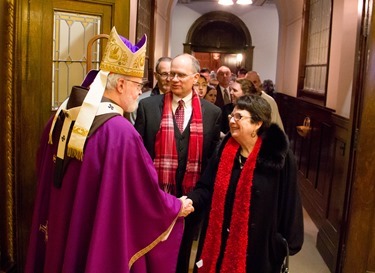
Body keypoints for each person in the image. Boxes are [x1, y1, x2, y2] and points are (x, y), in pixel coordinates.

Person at [25, 27, 194, 273]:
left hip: (59, 220)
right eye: (138, 84)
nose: (140, 90)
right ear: (121, 84)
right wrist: (176, 207)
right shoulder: (120, 133)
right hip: (90, 228)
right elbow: (142, 193)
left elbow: (43, 166)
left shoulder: (60, 117)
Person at [188, 95, 304, 273]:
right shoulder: (224, 149)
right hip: (220, 241)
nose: (232, 121)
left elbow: (290, 201)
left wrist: (281, 243)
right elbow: (206, 187)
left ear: (257, 124)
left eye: (239, 117)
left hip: (260, 247)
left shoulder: (279, 156)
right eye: (231, 116)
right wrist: (189, 202)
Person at [134, 53, 222, 273]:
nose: (174, 79)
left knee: (181, 256)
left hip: (192, 201)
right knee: (153, 254)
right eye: (171, 73)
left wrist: (195, 199)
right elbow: (139, 156)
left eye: (181, 75)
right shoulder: (148, 107)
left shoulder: (212, 113)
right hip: (155, 198)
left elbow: (212, 163)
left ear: (195, 78)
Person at [128, 56, 172, 124]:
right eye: (164, 74)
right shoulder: (140, 102)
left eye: (172, 74)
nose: (168, 79)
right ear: (156, 76)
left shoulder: (181, 101)